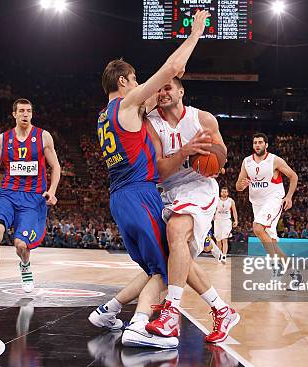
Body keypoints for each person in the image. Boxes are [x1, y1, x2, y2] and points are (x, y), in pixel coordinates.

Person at [88, 10, 210, 349]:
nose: (140, 83)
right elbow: (172, 69)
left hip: (119, 198)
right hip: (140, 194)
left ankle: (108, 310)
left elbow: (164, 88)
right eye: (136, 78)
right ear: (124, 82)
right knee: (166, 267)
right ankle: (141, 325)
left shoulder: (104, 116)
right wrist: (196, 32)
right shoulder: (128, 103)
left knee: (152, 264)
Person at [144, 76, 240, 344]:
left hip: (199, 188)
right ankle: (222, 310)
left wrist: (210, 158)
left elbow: (221, 156)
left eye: (168, 87)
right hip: (169, 190)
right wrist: (186, 151)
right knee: (178, 255)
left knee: (176, 230)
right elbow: (160, 170)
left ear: (181, 90)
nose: (163, 92)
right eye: (159, 89)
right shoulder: (152, 123)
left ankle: (171, 313)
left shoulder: (204, 119)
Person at [0, 98, 61, 300]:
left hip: (33, 197)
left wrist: (52, 191)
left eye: (29, 111)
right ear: (14, 114)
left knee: (20, 245)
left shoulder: (43, 137)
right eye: (21, 111)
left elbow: (56, 167)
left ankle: (25, 265)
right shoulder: (3, 139)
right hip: (8, 194)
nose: (25, 114)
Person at [235, 133, 301, 288]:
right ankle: (295, 274)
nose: (257, 145)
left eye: (260, 142)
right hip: (256, 203)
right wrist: (242, 185)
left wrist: (289, 197)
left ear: (266, 145)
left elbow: (293, 176)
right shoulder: (247, 162)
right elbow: (238, 186)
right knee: (270, 242)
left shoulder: (274, 160)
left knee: (257, 227)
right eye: (255, 143)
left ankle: (276, 268)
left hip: (274, 199)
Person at [213, 186, 238, 262]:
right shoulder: (216, 200)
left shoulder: (231, 201)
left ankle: (224, 256)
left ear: (227, 193)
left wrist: (236, 220)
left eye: (225, 192)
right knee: (218, 239)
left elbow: (234, 211)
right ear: (220, 192)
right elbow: (212, 209)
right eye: (222, 191)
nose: (223, 193)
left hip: (226, 221)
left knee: (224, 239)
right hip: (217, 220)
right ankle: (219, 255)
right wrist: (213, 215)